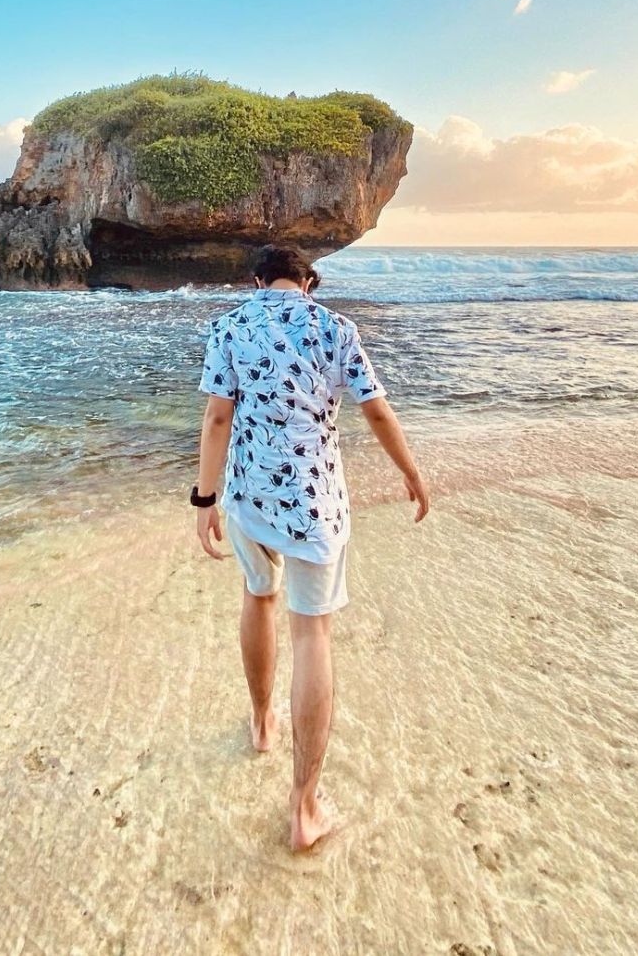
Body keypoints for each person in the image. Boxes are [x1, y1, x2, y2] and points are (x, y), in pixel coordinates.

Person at [191, 243, 429, 852]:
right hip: (314, 507)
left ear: (256, 280)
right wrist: (410, 471)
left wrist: (203, 499)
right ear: (309, 282)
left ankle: (262, 723)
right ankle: (304, 806)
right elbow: (376, 411)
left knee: (257, 595)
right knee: (312, 634)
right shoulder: (337, 328)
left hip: (247, 500)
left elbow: (218, 419)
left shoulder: (230, 324)